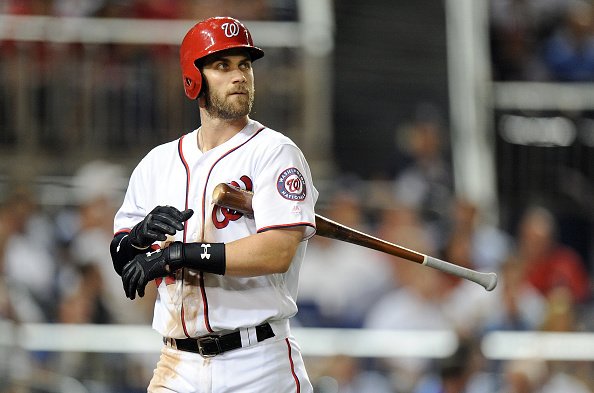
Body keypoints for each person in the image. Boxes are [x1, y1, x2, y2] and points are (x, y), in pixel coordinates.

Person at [109, 16, 317, 392]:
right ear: (194, 78)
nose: (239, 76)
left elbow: (276, 252)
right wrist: (139, 238)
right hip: (177, 363)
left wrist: (178, 255)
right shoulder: (158, 163)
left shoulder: (275, 152)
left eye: (245, 65)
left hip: (257, 362)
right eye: (222, 66)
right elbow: (125, 264)